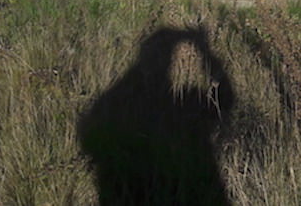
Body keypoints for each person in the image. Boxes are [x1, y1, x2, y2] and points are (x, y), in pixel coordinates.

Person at [78, 26, 234, 206]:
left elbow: (89, 138)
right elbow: (226, 100)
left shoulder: (117, 102)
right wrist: (205, 52)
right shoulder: (185, 101)